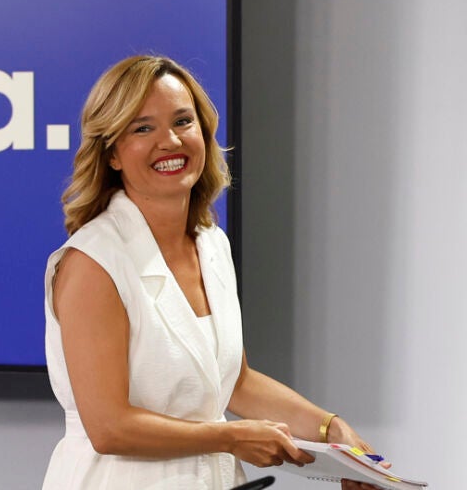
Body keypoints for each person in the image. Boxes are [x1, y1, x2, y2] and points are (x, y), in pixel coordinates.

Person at [42, 55, 385, 489]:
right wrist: (231, 437)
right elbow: (109, 427)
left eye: (182, 121)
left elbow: (236, 384)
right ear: (112, 153)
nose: (170, 141)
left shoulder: (211, 243)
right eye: (143, 128)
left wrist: (332, 431)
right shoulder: (93, 262)